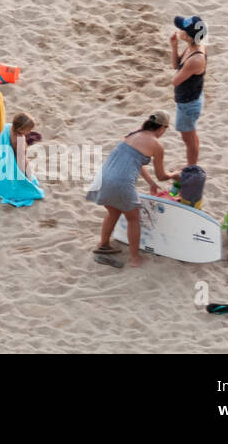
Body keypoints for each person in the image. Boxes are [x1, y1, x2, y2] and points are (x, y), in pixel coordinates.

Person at [88, 113, 180, 267]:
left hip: (103, 176)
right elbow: (162, 176)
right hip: (120, 182)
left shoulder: (134, 134)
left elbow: (136, 162)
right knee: (133, 218)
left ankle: (103, 244)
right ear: (163, 128)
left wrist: (150, 182)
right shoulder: (157, 145)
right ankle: (135, 259)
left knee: (114, 211)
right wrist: (175, 175)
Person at [170, 14, 208, 167]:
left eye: (182, 29)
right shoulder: (193, 47)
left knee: (189, 140)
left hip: (188, 104)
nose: (179, 30)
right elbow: (176, 66)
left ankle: (192, 168)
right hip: (191, 98)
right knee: (191, 136)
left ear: (188, 36)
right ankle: (193, 163)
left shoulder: (195, 59)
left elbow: (175, 80)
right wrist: (174, 47)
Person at [0, 113, 45, 207]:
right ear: (20, 129)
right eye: (29, 130)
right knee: (29, 182)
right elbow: (21, 160)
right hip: (15, 164)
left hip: (1, 165)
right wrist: (25, 177)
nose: (30, 132)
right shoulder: (19, 139)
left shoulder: (7, 127)